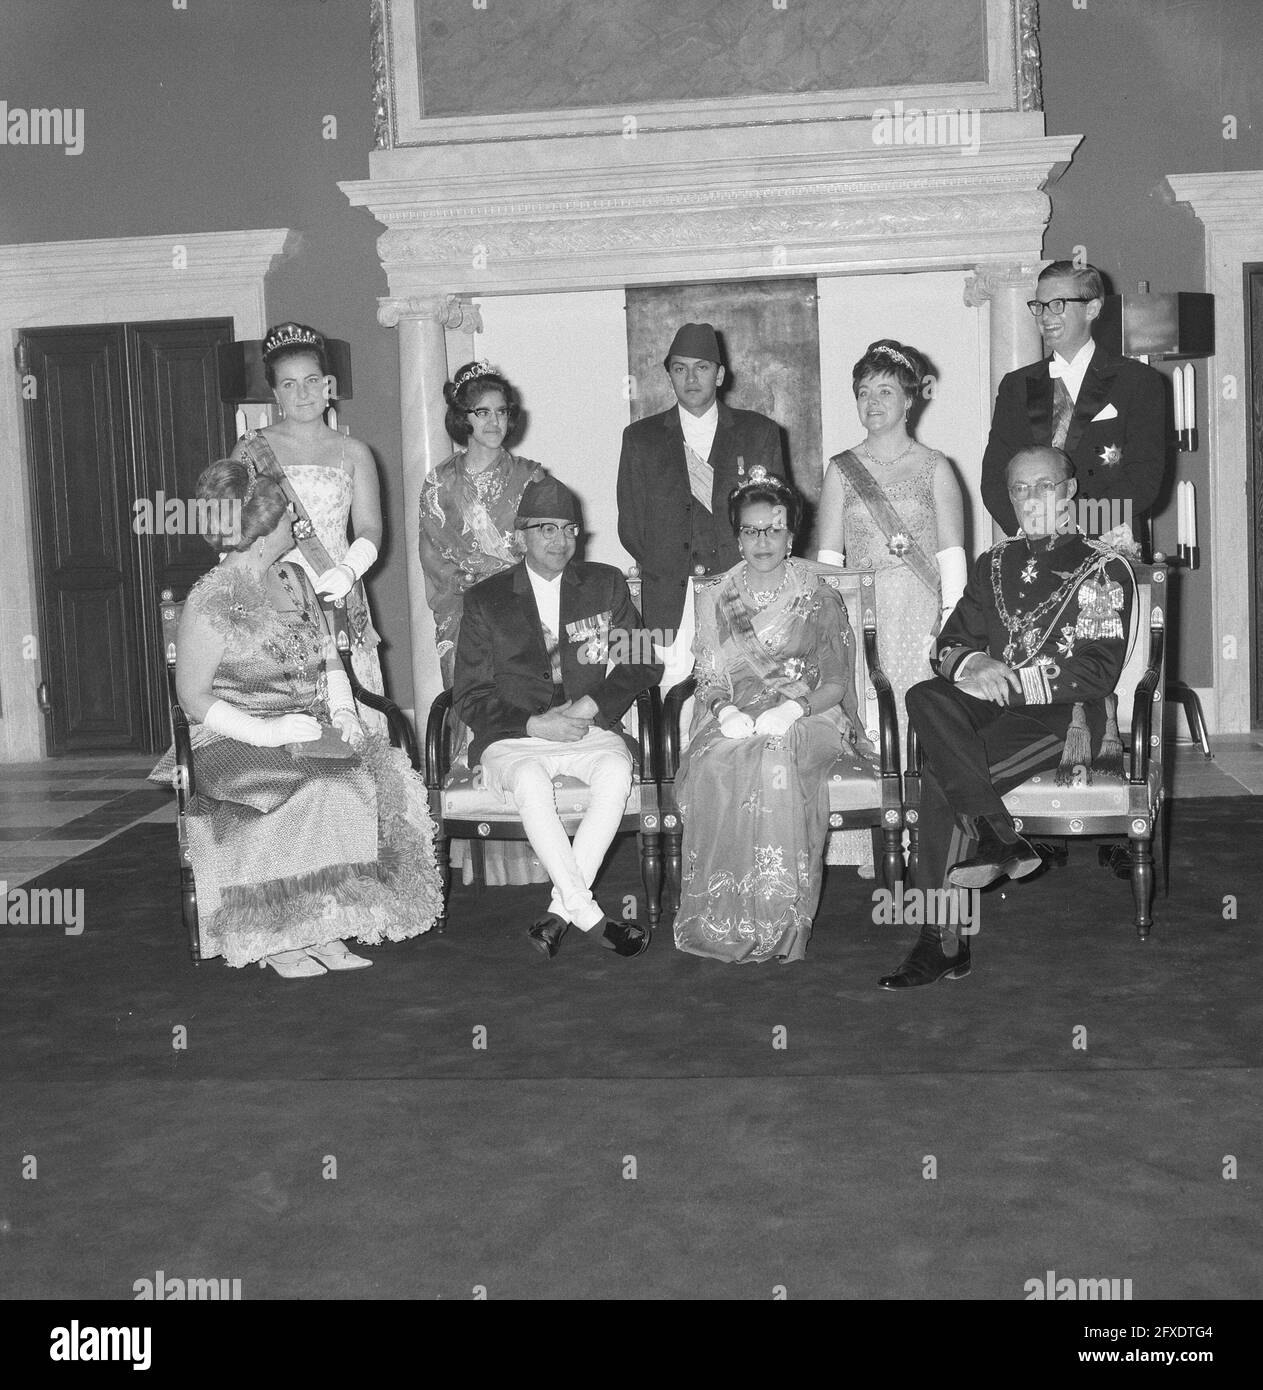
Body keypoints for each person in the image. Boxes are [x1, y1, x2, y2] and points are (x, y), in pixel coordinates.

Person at [150, 460, 442, 977]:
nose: (296, 523)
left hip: (306, 727)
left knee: (356, 780)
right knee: (308, 790)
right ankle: (276, 937)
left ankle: (326, 924)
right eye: (287, 514)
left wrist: (345, 712)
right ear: (262, 531)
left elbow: (329, 654)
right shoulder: (210, 600)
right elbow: (192, 697)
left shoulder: (294, 578)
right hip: (229, 735)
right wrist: (266, 731)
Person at [878, 447, 1137, 991]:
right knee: (925, 696)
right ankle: (999, 835)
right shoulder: (992, 564)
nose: (1032, 499)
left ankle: (941, 941)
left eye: (1044, 486)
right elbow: (948, 644)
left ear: (1069, 492)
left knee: (941, 781)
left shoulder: (1103, 567)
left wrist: (1013, 680)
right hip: (991, 697)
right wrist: (974, 661)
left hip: (1060, 718)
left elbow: (1097, 671)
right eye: (1020, 489)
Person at [453, 476, 663, 960]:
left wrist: (592, 705)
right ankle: (589, 915)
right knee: (529, 780)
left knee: (615, 772)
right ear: (520, 535)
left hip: (589, 727)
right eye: (546, 529)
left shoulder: (604, 585)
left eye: (569, 529)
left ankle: (559, 912)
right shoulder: (486, 599)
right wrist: (533, 725)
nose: (560, 541)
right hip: (513, 735)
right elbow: (469, 692)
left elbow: (642, 661)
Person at [674, 469, 871, 964]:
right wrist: (724, 711)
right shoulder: (716, 596)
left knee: (774, 756)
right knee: (718, 761)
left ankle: (779, 919)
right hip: (733, 713)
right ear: (737, 535)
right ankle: (725, 916)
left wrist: (792, 708)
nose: (763, 541)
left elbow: (836, 683)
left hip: (810, 715)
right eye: (750, 530)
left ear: (791, 534)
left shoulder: (817, 596)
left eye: (774, 530)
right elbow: (711, 677)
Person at [419, 360, 551, 888]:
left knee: (523, 709)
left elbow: (548, 549)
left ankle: (536, 845)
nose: (493, 422)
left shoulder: (533, 477)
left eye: (501, 412)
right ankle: (476, 849)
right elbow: (435, 561)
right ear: (463, 417)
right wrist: (472, 609)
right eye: (482, 412)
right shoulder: (438, 483)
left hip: (523, 610)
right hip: (464, 613)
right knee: (474, 706)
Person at [616, 321, 786, 687]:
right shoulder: (641, 439)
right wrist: (670, 566)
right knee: (669, 701)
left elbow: (776, 520)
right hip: (667, 603)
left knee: (745, 696)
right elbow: (631, 525)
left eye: (702, 367)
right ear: (669, 376)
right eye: (680, 369)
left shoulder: (758, 433)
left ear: (720, 374)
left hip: (743, 595)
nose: (691, 378)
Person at [232, 321, 386, 719]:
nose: (302, 393)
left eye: (312, 380)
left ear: (328, 384)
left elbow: (370, 527)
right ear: (274, 392)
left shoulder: (354, 451)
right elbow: (236, 529)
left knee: (353, 713)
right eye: (288, 384)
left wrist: (350, 570)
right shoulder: (251, 449)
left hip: (337, 584)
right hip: (273, 588)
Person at [816, 339, 968, 712]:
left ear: (909, 400)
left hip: (922, 618)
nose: (872, 401)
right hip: (861, 615)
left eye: (885, 391)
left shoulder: (936, 466)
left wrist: (950, 632)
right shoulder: (840, 469)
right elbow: (829, 562)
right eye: (864, 392)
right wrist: (828, 629)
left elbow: (952, 561)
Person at [980, 262, 1167, 543]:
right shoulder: (1016, 385)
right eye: (1039, 306)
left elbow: (1143, 477)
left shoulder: (1137, 380)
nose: (1045, 316)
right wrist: (1031, 532)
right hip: (1034, 543)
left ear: (1092, 309)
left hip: (1109, 539)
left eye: (1057, 304)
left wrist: (1072, 527)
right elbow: (995, 477)